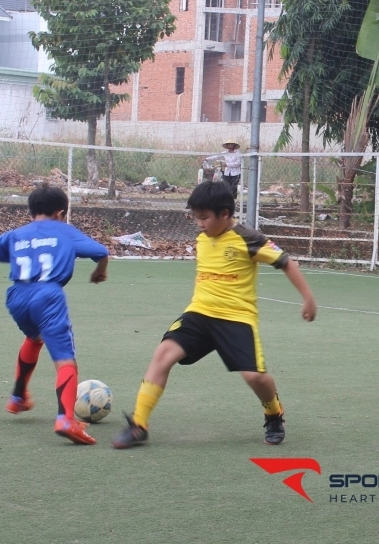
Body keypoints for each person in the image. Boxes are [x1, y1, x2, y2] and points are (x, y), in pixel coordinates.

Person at [112, 180, 317, 449]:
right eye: (196, 217)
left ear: (225, 214)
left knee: (254, 376)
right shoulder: (202, 238)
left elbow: (286, 262)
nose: (199, 223)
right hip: (199, 313)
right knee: (162, 355)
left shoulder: (249, 239)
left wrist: (308, 298)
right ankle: (139, 425)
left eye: (204, 217)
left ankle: (273, 411)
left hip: (236, 318)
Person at [0, 183, 109, 446]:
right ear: (60, 213)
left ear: (32, 211)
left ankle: (18, 397)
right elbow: (102, 252)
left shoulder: (18, 234)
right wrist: (99, 270)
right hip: (48, 296)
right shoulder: (64, 231)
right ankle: (66, 419)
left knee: (35, 338)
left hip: (17, 297)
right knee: (66, 359)